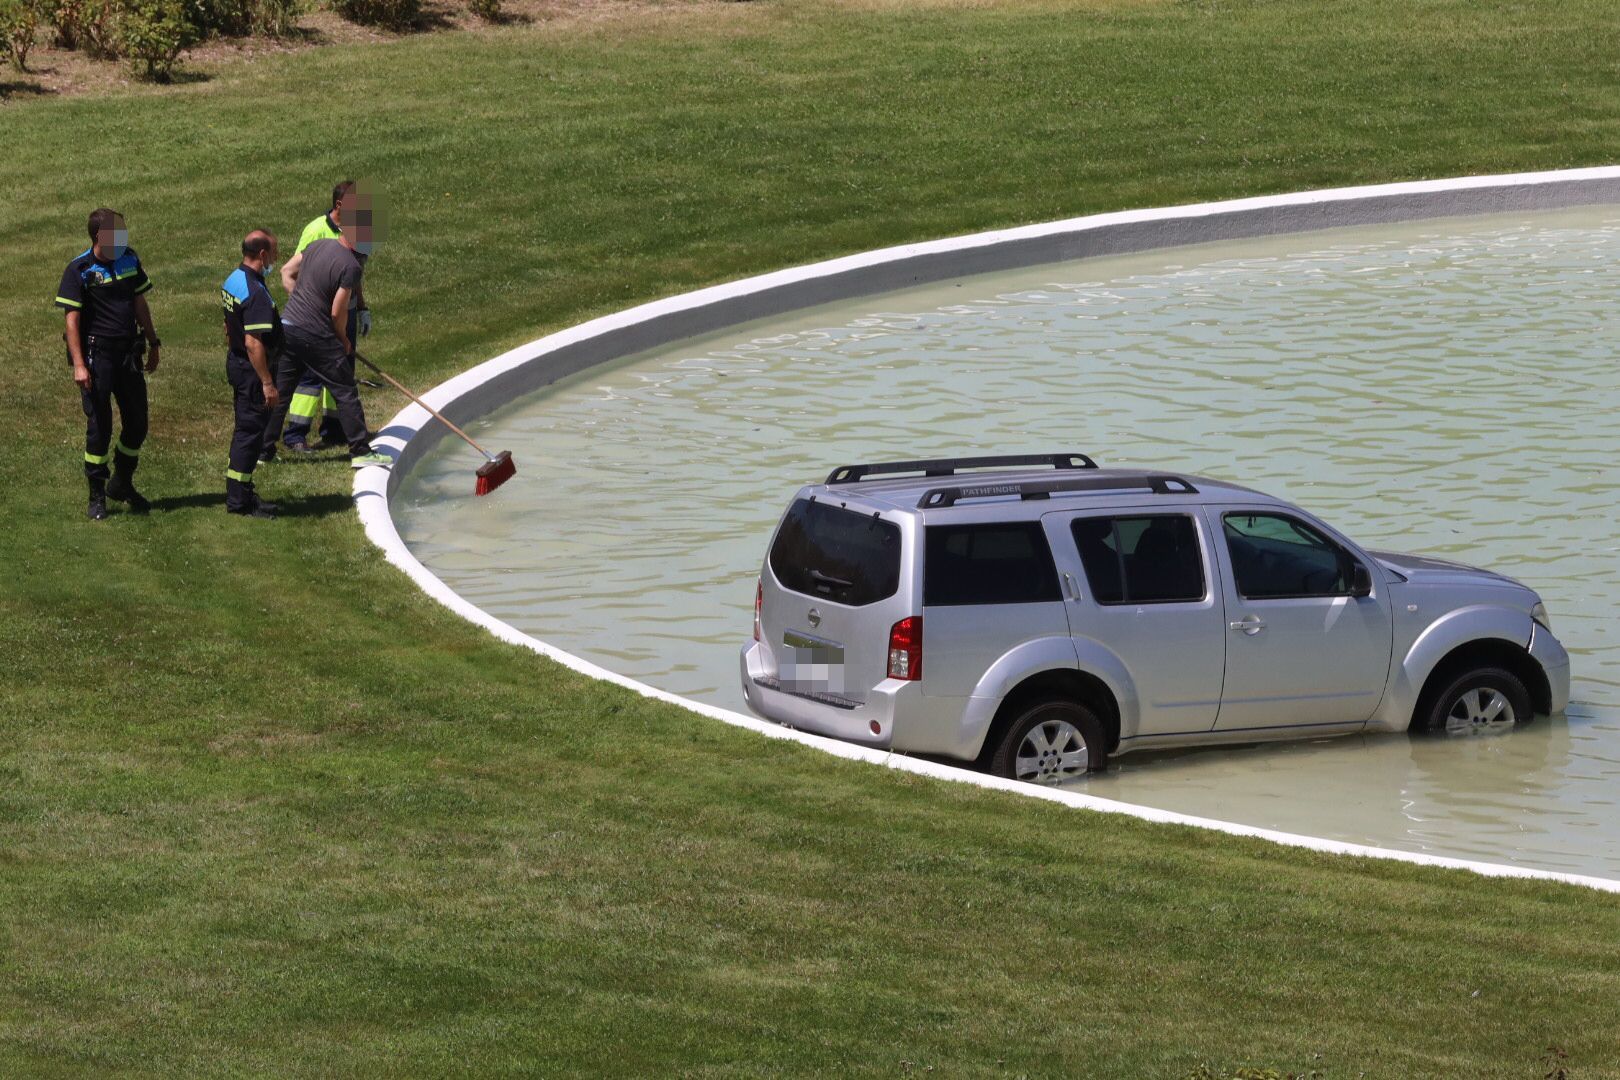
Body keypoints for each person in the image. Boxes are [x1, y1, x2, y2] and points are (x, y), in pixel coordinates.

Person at [259, 193, 391, 469]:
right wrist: (342, 340)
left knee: (281, 392)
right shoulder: (351, 266)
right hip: (316, 334)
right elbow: (337, 312)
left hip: (289, 327)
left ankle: (264, 449)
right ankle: (360, 450)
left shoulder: (318, 246)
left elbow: (289, 271)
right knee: (345, 388)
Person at [55, 208, 162, 520]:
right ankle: (97, 494)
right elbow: (72, 322)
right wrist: (78, 364)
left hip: (128, 354)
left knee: (138, 423)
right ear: (98, 237)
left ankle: (122, 483)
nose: (123, 238)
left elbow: (139, 302)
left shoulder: (129, 258)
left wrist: (153, 342)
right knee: (100, 428)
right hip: (96, 355)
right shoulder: (80, 269)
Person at [221, 230, 284, 518]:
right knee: (250, 433)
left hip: (238, 362)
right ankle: (239, 501)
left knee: (245, 431)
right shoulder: (255, 291)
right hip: (252, 370)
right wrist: (267, 382)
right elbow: (253, 342)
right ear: (262, 255)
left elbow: (229, 326)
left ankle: (242, 492)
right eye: (274, 252)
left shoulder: (234, 279)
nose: (276, 258)